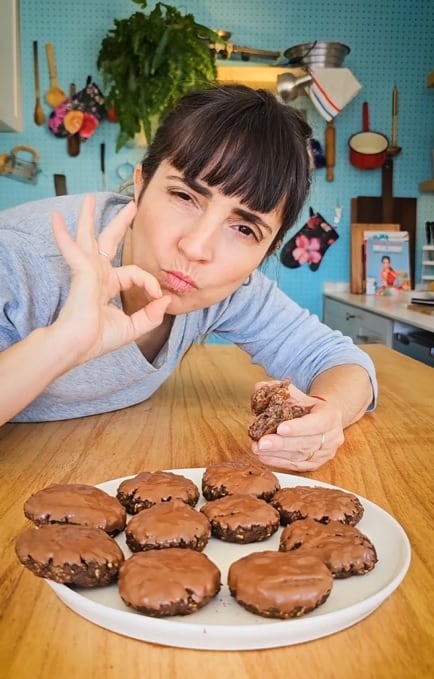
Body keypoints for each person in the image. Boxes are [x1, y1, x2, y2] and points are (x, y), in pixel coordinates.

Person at [0, 84, 377, 471]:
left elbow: (340, 361)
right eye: (185, 197)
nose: (197, 247)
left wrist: (329, 415)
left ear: (265, 250)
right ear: (142, 183)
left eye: (244, 229)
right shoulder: (20, 258)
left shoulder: (231, 288)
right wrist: (61, 344)